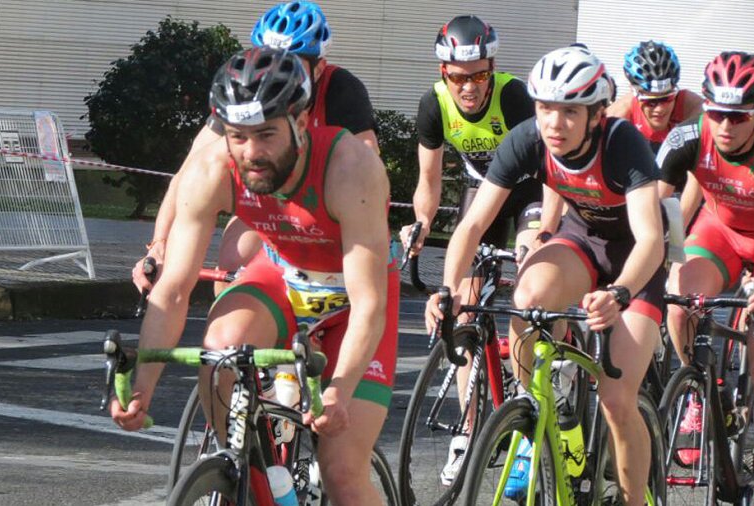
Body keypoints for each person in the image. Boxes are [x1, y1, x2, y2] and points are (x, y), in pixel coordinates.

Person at [110, 47, 399, 506]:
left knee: (343, 472)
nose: (252, 153)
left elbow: (369, 305)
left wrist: (340, 390)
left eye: (266, 133)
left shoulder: (351, 167)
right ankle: (256, 480)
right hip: (284, 274)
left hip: (351, 298)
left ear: (301, 122)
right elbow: (175, 288)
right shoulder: (212, 168)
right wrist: (142, 386)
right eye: (237, 136)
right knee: (219, 349)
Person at [426, 45, 665, 504]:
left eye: (569, 111)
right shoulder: (527, 139)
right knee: (527, 297)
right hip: (583, 241)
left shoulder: (622, 143)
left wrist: (620, 292)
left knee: (617, 400)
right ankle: (545, 415)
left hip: (635, 258)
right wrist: (448, 289)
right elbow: (473, 223)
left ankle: (636, 499)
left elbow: (651, 240)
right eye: (545, 108)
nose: (554, 123)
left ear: (596, 115)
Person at [133, 1, 378, 294]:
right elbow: (189, 173)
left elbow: (367, 165)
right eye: (270, 59)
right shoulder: (246, 87)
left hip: (326, 209)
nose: (279, 73)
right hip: (267, 202)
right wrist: (159, 246)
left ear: (319, 68)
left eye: (292, 62)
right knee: (231, 265)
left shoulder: (342, 89)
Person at [399, 15, 539, 486]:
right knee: (460, 311)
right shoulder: (434, 105)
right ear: (444, 74)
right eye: (458, 77)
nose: (469, 87)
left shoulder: (513, 96)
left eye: (478, 75)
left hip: (527, 195)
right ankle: (469, 428)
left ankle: (526, 407)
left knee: (529, 291)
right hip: (480, 195)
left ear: (491, 68)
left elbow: (546, 164)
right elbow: (429, 182)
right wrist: (420, 224)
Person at [658, 51, 754, 449]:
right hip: (721, 230)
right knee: (679, 304)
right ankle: (696, 386)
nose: (725, 126)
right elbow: (650, 208)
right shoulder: (687, 136)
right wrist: (658, 259)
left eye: (739, 117)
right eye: (717, 113)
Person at [607, 41, 703, 176]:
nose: (660, 109)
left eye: (667, 98)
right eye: (651, 101)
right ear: (634, 93)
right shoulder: (618, 114)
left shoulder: (692, 107)